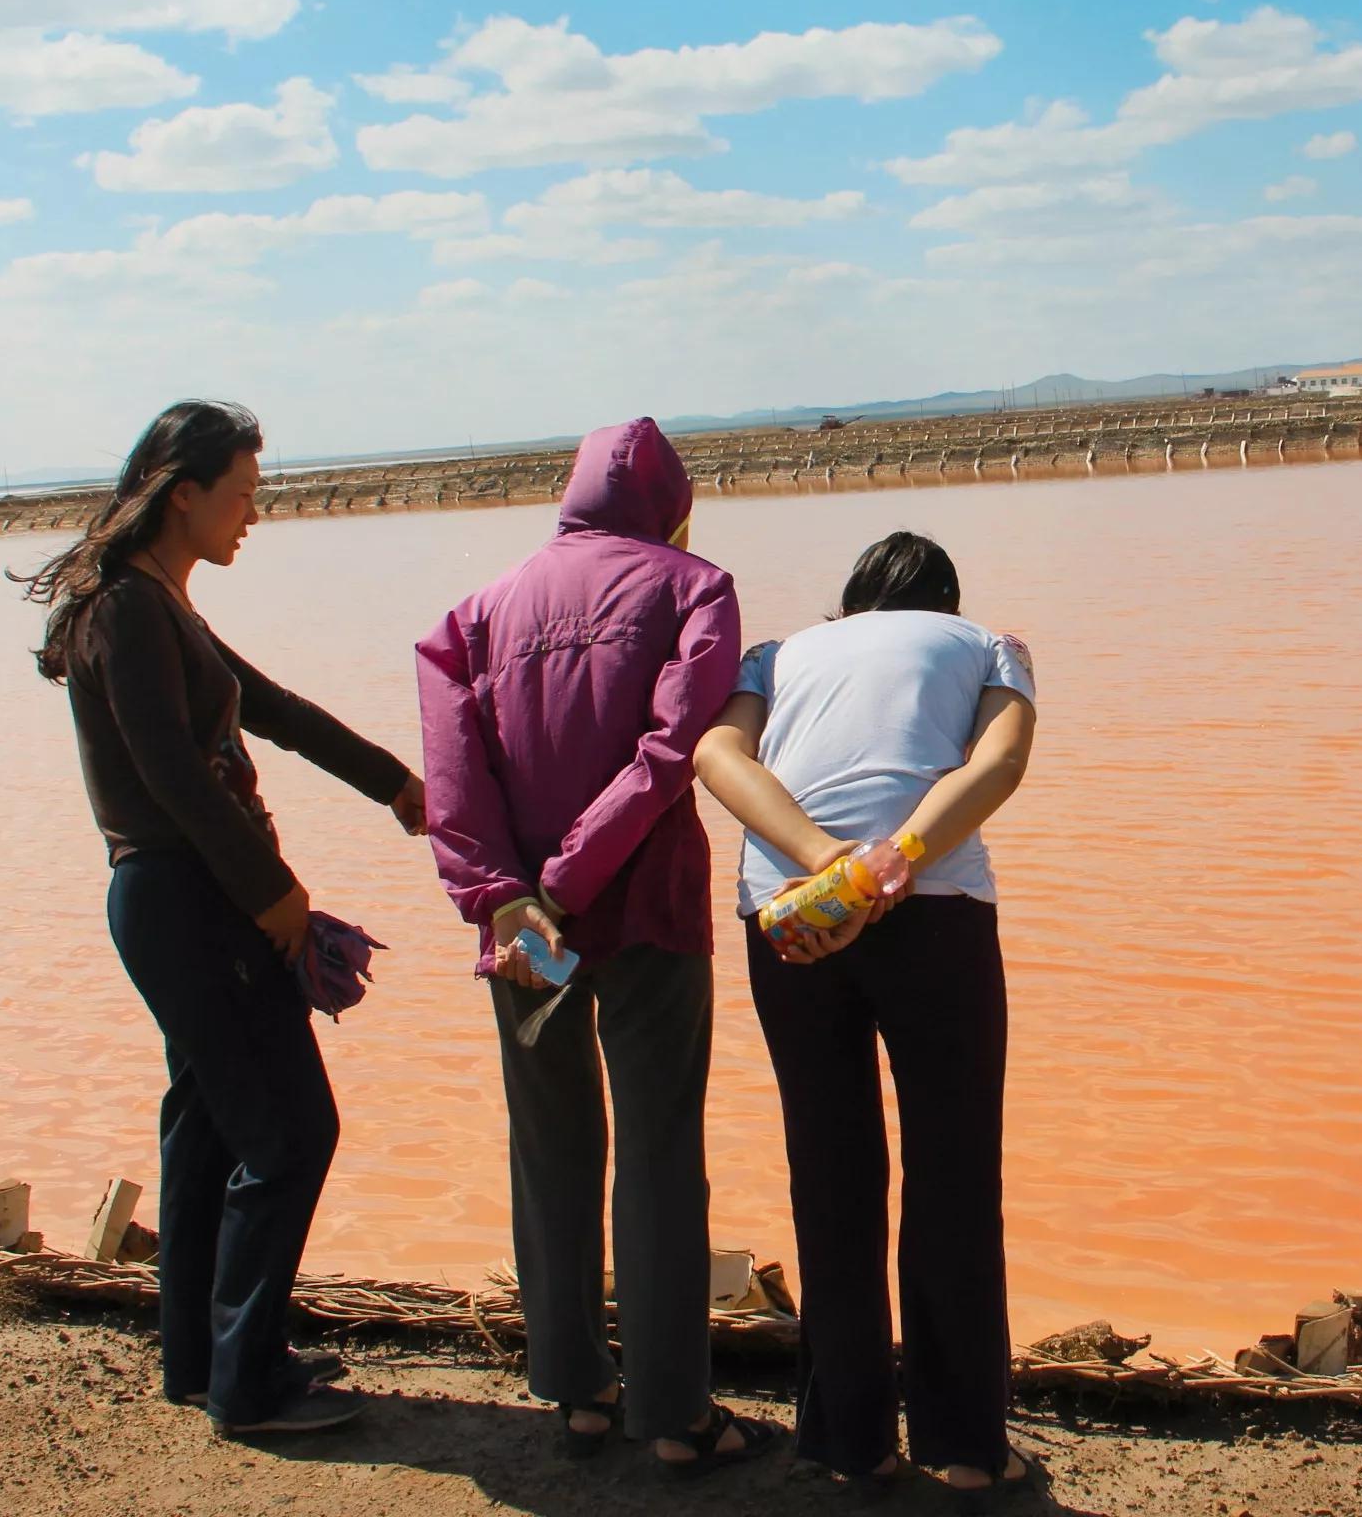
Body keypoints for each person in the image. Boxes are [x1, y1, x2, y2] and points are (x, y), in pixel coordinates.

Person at [16, 400, 426, 1437]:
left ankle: (207, 1357)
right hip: (187, 897)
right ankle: (247, 1388)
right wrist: (275, 898)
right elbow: (172, 779)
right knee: (290, 1135)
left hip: (186, 897)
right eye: (242, 494)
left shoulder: (161, 604)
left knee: (208, 1133)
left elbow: (273, 710)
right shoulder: (126, 612)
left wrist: (395, 785)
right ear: (182, 494)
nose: (254, 514)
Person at [415, 416, 785, 1478]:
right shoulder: (694, 587)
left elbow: (452, 775)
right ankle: (674, 1415)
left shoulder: (473, 614)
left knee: (552, 1146)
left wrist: (504, 897)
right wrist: (573, 879)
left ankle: (576, 1390)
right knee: (662, 1153)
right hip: (647, 910)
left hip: (521, 930)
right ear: (672, 507)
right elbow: (673, 750)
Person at [693, 530, 1039, 1501]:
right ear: (945, 598)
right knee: (953, 1174)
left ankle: (852, 1444)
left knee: (831, 1172)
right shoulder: (988, 644)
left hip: (790, 913)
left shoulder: (777, 655)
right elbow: (1000, 765)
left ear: (850, 605)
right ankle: (966, 1446)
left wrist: (824, 865)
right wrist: (893, 858)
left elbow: (716, 754)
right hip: (931, 909)